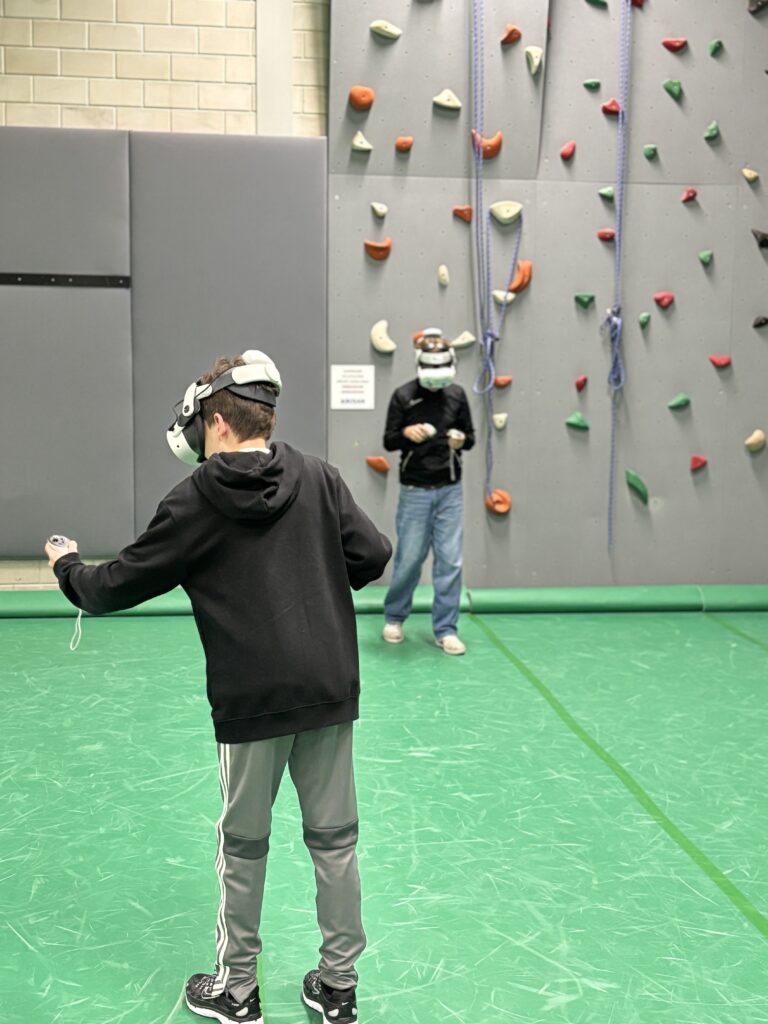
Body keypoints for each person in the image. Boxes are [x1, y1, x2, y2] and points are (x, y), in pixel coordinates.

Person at [46, 350, 392, 1024]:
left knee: (243, 847)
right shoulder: (319, 477)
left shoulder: (194, 500)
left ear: (218, 422)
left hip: (251, 703)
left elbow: (111, 587)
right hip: (328, 690)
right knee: (335, 842)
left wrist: (67, 567)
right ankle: (338, 987)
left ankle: (237, 992)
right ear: (266, 416)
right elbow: (373, 556)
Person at [381, 329, 475, 655]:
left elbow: (471, 438)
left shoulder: (457, 396)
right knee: (409, 558)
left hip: (450, 490)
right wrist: (406, 432)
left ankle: (446, 629)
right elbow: (389, 440)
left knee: (450, 561)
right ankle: (394, 617)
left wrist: (460, 440)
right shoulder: (403, 395)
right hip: (415, 489)